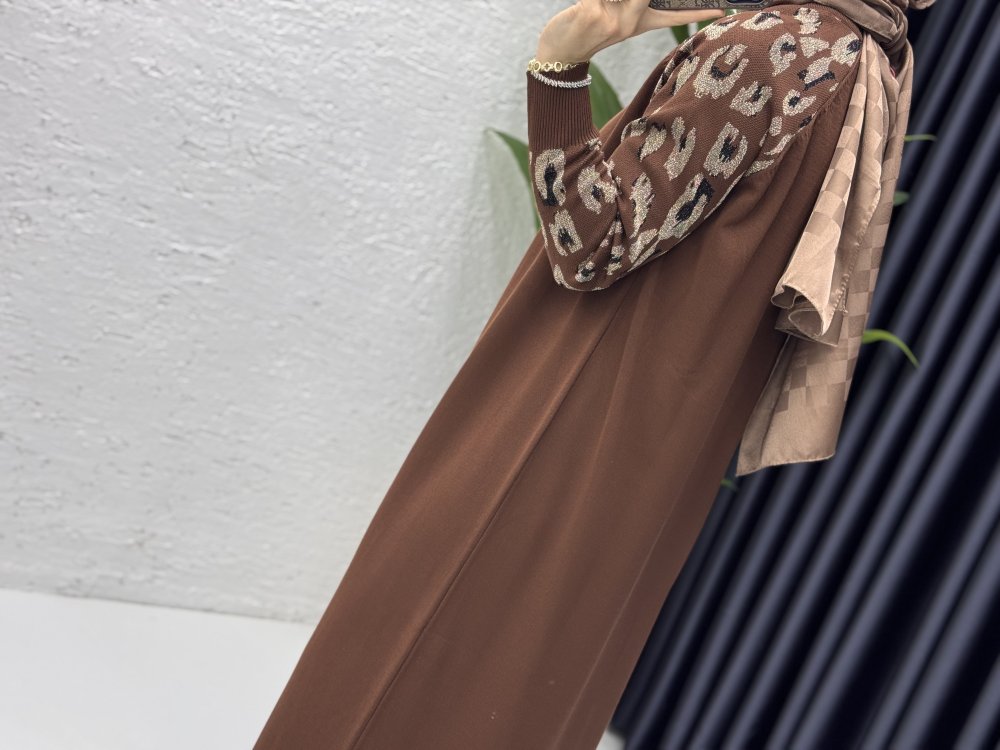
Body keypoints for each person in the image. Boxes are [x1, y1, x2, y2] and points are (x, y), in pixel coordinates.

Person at [253, 1, 929, 748]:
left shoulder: (770, 50)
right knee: (525, 680)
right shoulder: (869, 60)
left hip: (570, 408)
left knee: (408, 644)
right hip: (654, 442)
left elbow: (591, 243)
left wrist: (559, 68)